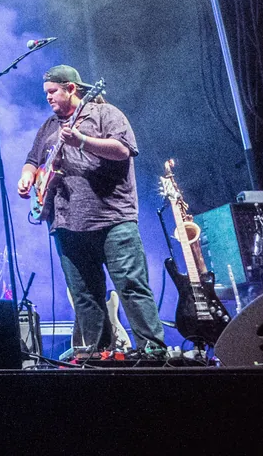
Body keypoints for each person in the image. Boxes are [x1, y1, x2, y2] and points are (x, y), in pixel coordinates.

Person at [17, 65, 166, 354]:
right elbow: (32, 161)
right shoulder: (48, 127)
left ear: (71, 88)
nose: (48, 97)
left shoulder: (105, 113)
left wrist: (82, 141)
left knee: (131, 286)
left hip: (112, 218)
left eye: (52, 91)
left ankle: (154, 353)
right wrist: (27, 177)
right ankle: (99, 356)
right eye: (46, 92)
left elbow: (123, 150)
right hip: (66, 222)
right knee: (84, 295)